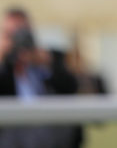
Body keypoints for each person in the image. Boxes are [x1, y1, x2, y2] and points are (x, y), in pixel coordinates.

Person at [0, 8, 82, 148]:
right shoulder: (4, 67)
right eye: (12, 34)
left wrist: (46, 64)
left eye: (23, 33)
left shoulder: (49, 59)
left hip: (49, 133)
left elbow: (71, 87)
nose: (19, 40)